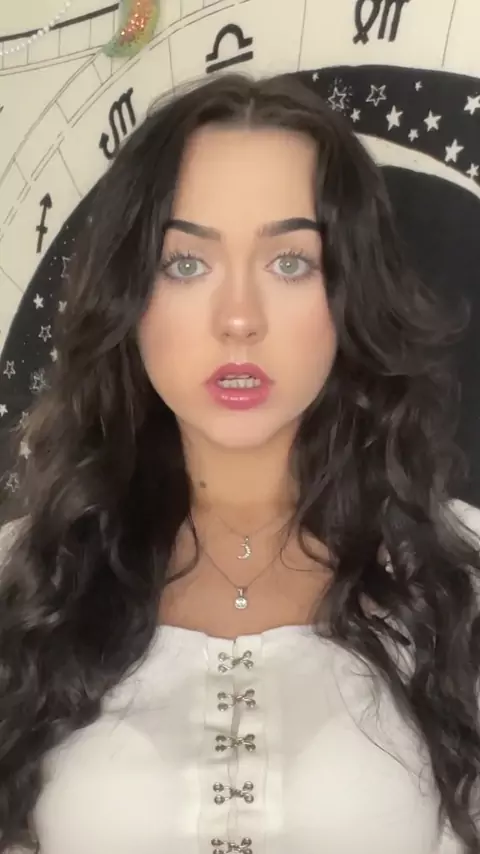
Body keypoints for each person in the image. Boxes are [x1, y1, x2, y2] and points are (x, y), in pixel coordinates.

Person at [0, 71, 479, 854]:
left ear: (349, 293)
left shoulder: (458, 578)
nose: (238, 319)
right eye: (186, 263)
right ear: (129, 296)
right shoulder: (23, 583)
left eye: (289, 262)